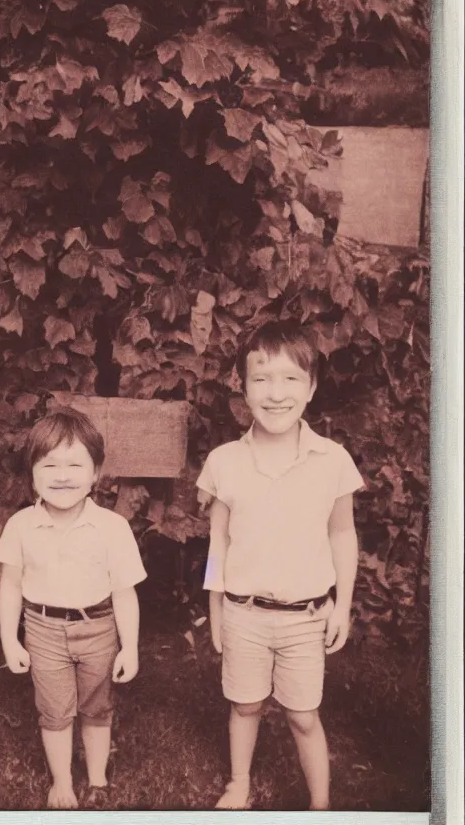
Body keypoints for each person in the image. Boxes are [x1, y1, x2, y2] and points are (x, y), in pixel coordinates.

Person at [198, 319, 364, 811]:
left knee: (303, 714)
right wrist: (217, 609)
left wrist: (343, 606)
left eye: (291, 379)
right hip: (245, 612)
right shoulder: (224, 461)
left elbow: (342, 534)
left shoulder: (332, 460)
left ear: (311, 388)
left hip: (306, 616)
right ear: (243, 388)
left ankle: (320, 804)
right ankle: (239, 783)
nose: (275, 394)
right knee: (245, 704)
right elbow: (218, 542)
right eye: (261, 378)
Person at [0, 408, 146, 810]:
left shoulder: (112, 528)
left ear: (96, 473)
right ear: (32, 475)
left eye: (75, 464)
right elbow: (10, 586)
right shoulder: (21, 526)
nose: (63, 476)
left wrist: (129, 647)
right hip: (43, 630)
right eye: (50, 465)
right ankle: (62, 781)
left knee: (97, 706)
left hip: (98, 628)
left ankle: (96, 778)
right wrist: (10, 640)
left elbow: (124, 593)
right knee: (55, 711)